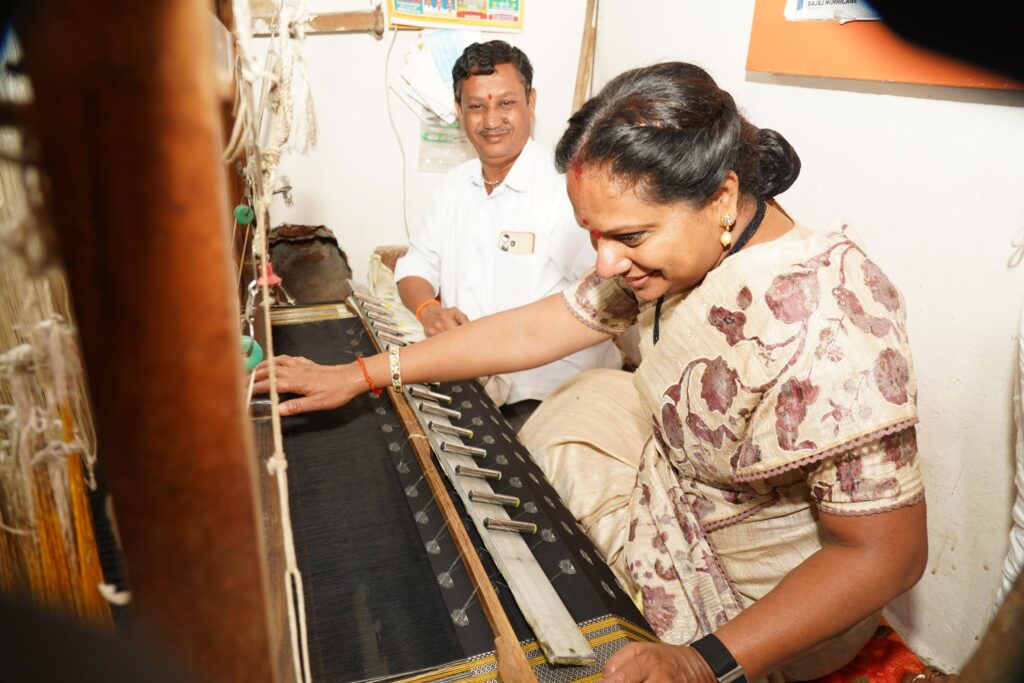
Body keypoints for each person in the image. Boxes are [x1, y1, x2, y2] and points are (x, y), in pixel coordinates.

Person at [254, 62, 927, 682]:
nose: (605, 263)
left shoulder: (832, 323)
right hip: (686, 488)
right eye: (592, 234)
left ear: (722, 197)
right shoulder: (682, 248)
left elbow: (885, 556)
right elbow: (533, 326)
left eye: (628, 237)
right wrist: (366, 373)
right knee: (584, 395)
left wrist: (701, 661)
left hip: (758, 595)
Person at [393, 40, 620, 423]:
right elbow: (415, 266)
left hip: (551, 397)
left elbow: (603, 299)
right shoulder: (455, 185)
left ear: (531, 102)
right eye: (476, 106)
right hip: (469, 380)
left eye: (506, 103)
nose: (491, 120)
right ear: (459, 111)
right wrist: (429, 310)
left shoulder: (567, 186)